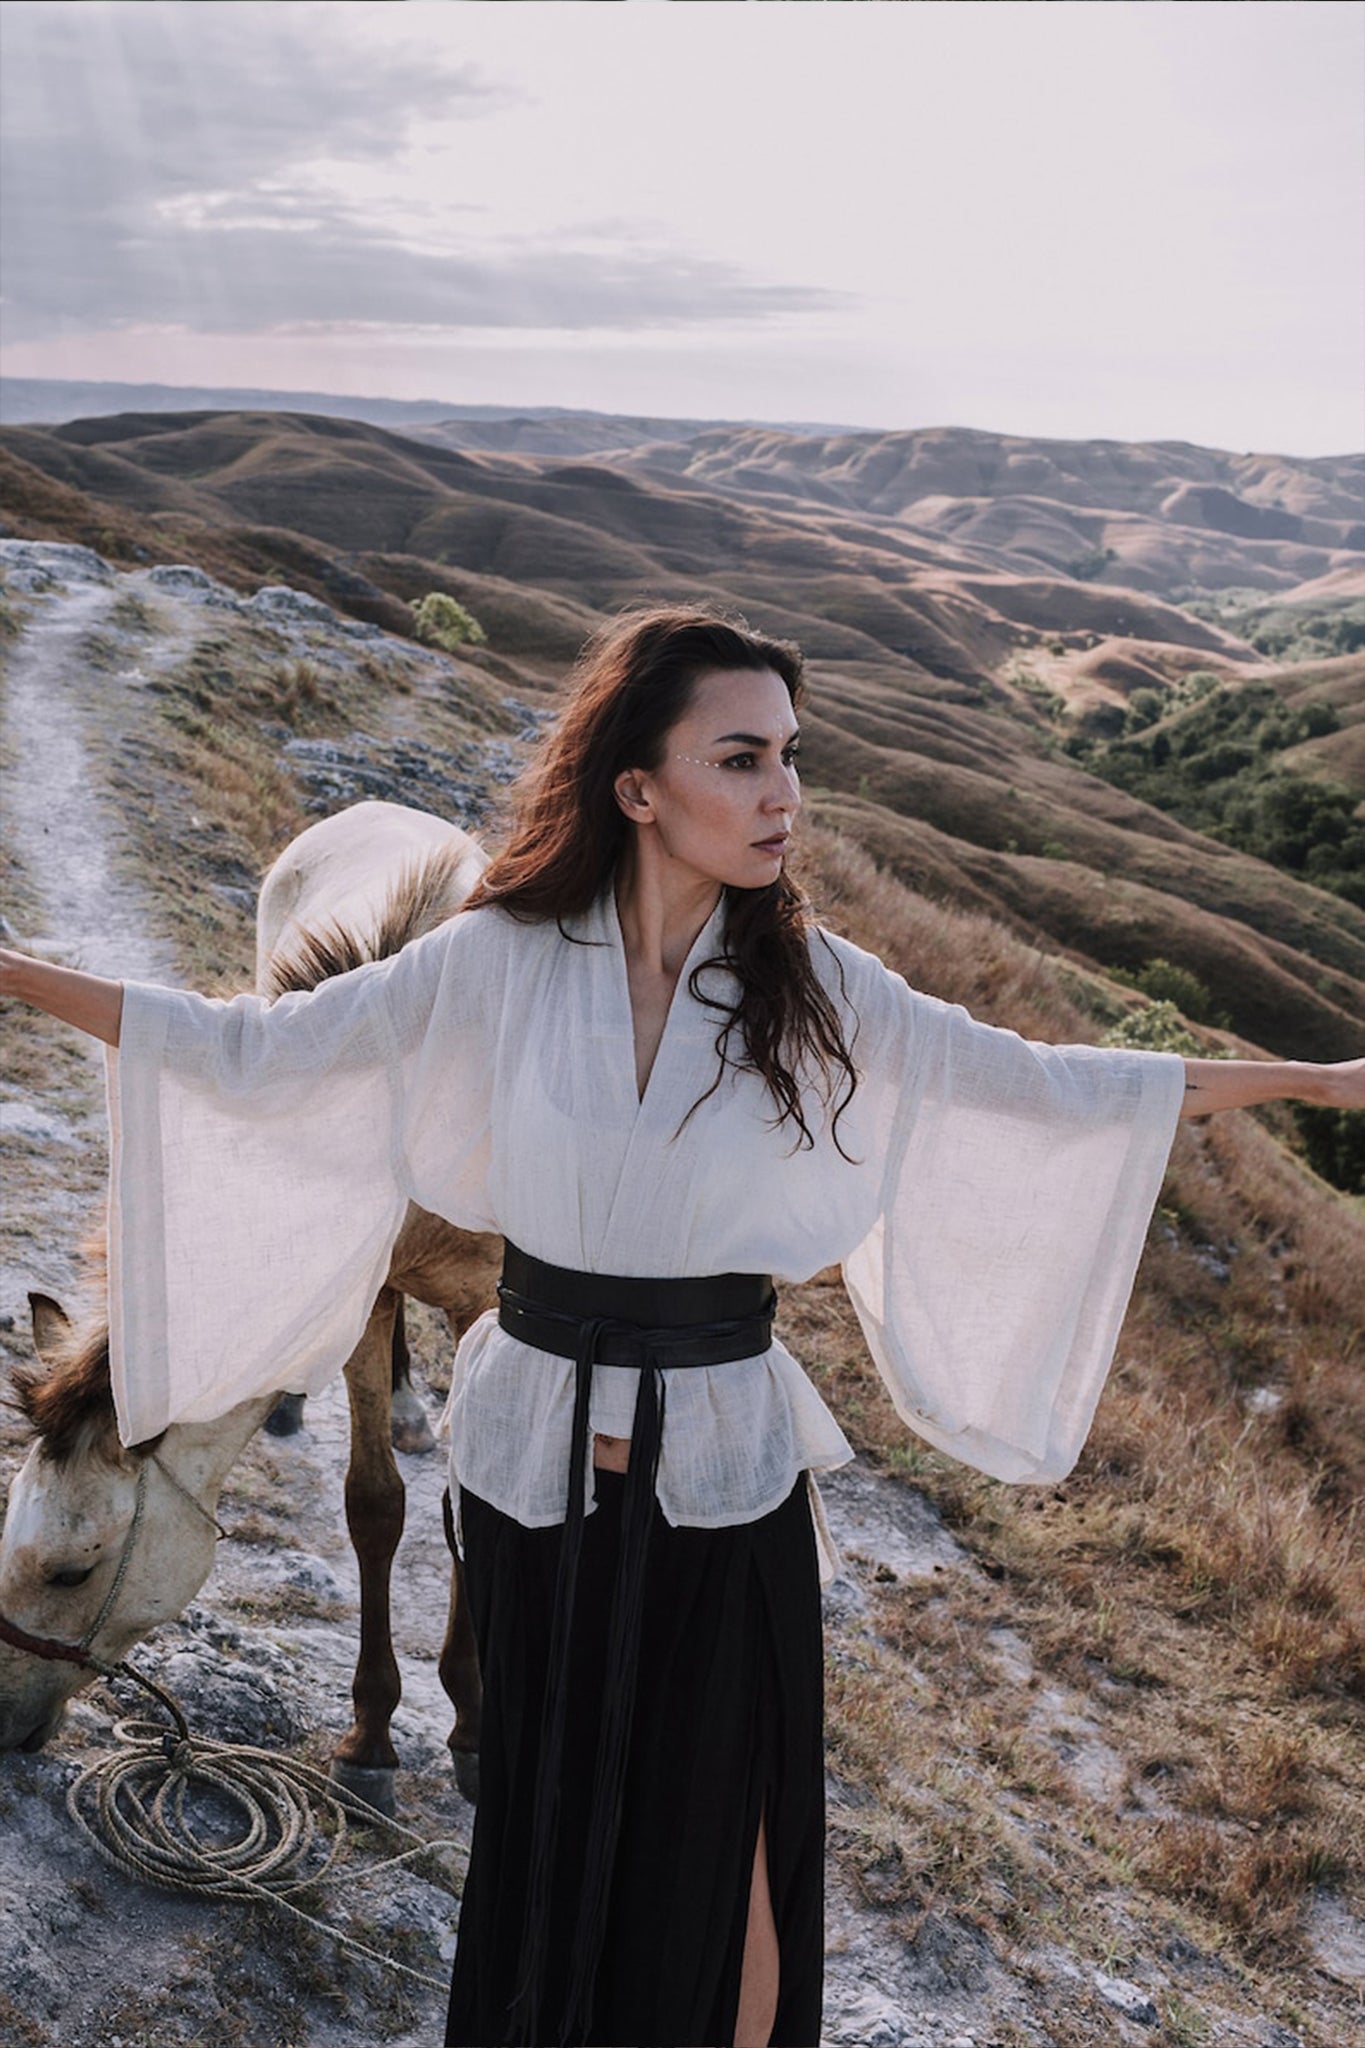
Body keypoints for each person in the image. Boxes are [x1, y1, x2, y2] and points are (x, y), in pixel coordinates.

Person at [1, 605, 1361, 2048]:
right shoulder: (497, 960)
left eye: (791, 757)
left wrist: (1320, 1084)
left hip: (721, 1464)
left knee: (739, 1831)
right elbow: (251, 1050)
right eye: (742, 757)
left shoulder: (820, 986)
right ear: (636, 787)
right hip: (531, 1466)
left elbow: (1037, 1083)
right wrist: (12, 970)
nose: (783, 793)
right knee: (544, 1818)